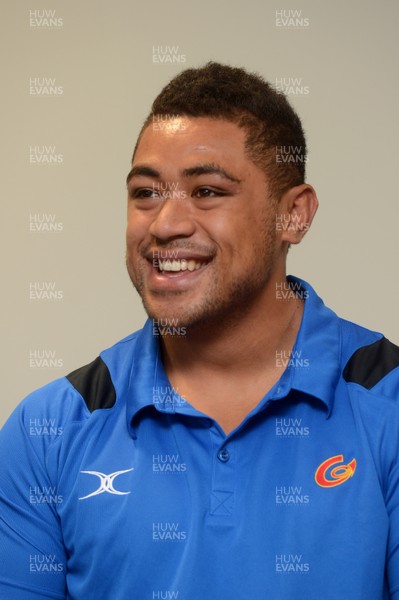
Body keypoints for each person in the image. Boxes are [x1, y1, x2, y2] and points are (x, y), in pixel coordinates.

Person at [1, 62, 399, 600]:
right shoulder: (46, 431)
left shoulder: (388, 405)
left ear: (294, 216)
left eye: (207, 191)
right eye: (145, 193)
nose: (165, 224)